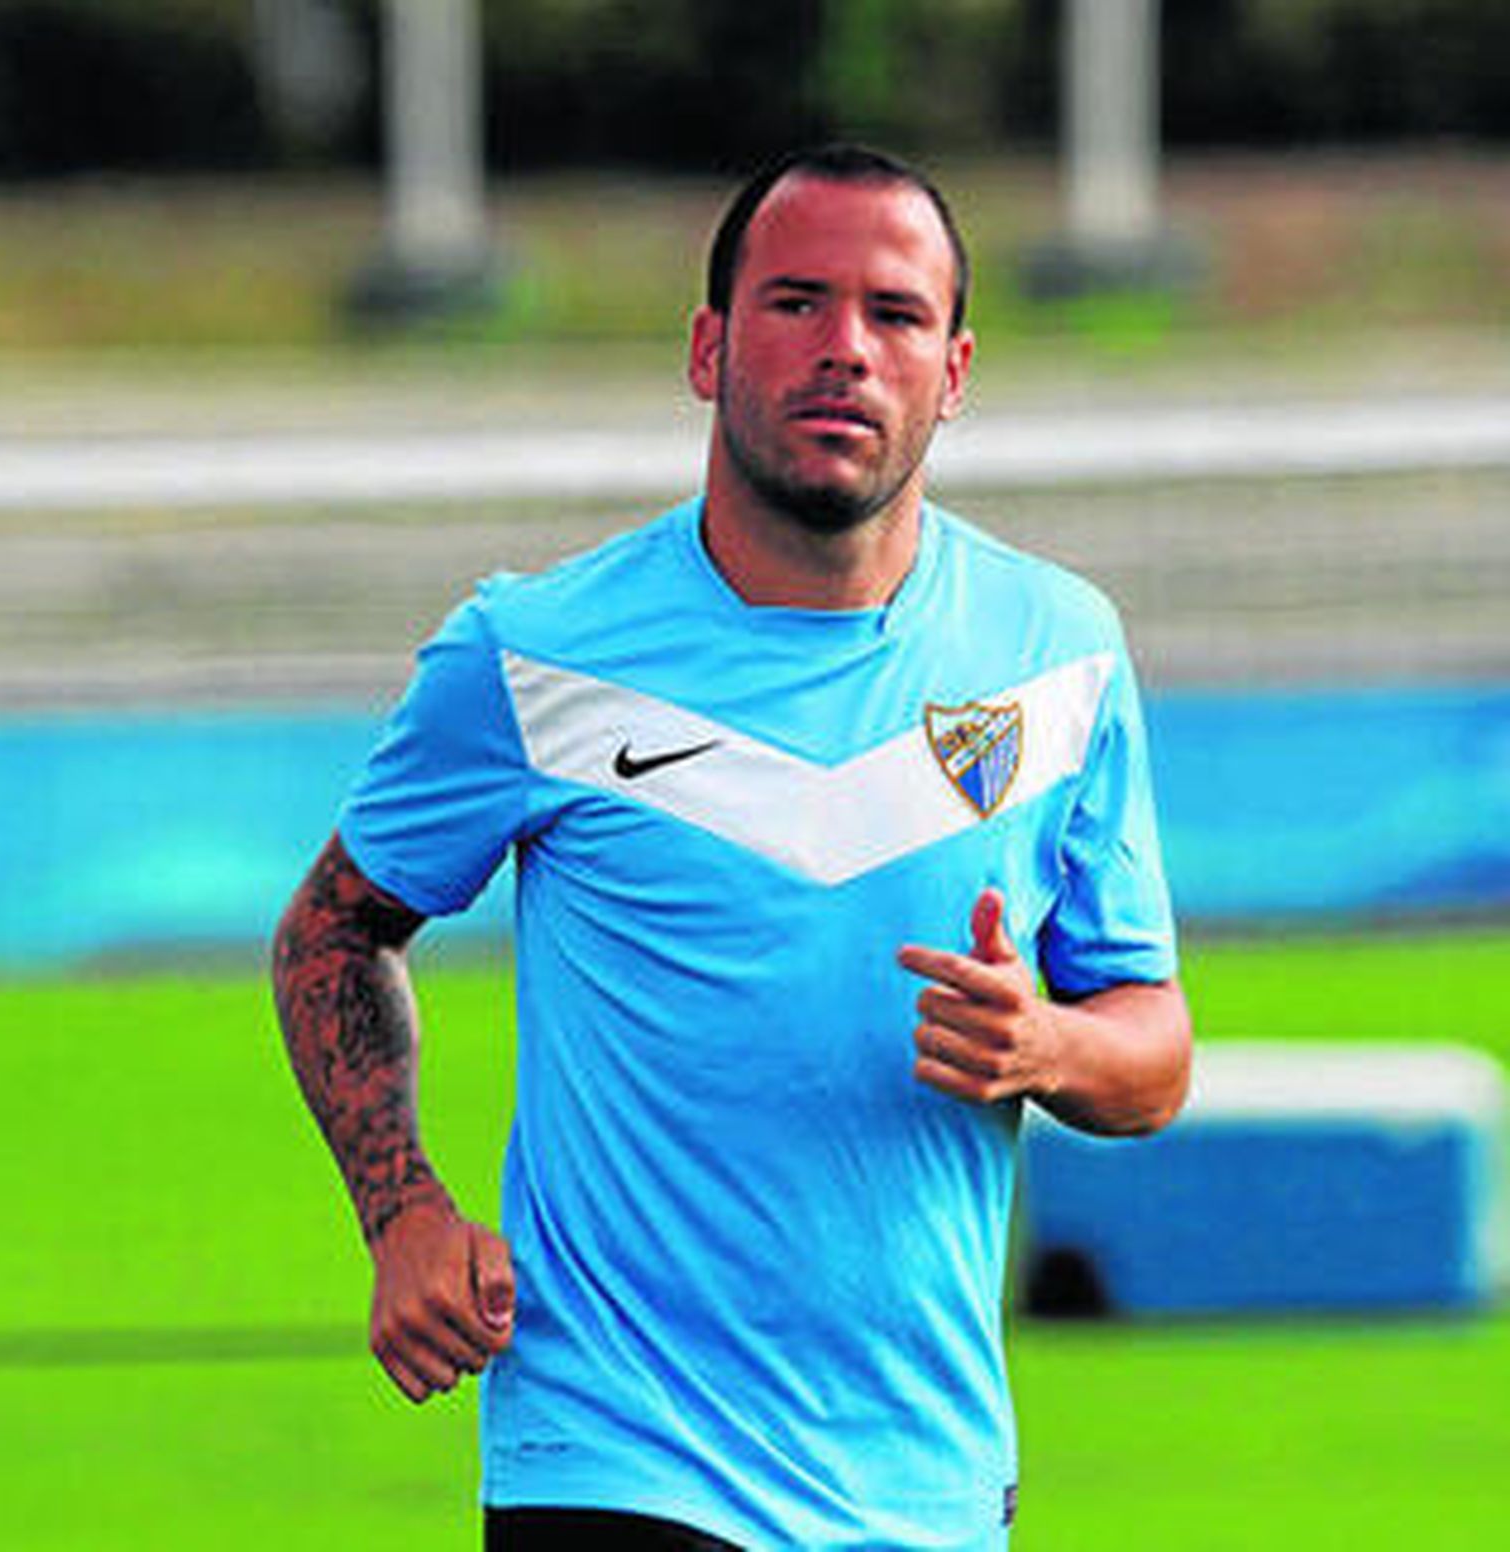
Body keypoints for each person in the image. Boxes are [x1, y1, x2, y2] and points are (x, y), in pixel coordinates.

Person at [272, 143, 1191, 1551]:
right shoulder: (534, 653)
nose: (845, 349)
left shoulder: (1059, 654)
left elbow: (1155, 1051)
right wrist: (401, 1211)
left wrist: (1047, 1045)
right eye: (796, 302)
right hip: (615, 1458)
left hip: (924, 1479)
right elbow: (335, 929)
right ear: (708, 349)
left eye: (894, 313)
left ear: (953, 372)